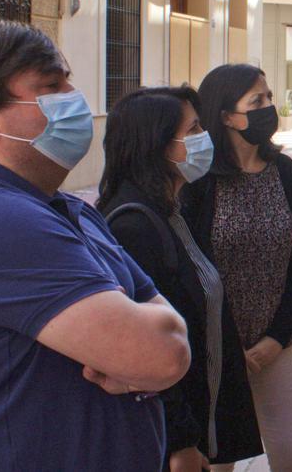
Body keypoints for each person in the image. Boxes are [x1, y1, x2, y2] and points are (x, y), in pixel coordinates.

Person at [0, 22, 190, 470]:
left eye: (67, 82)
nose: (74, 97)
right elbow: (163, 355)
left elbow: (169, 331)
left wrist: (148, 343)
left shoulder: (66, 210)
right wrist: (144, 349)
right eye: (50, 86)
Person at [98, 86, 264, 471]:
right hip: (166, 440)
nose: (203, 139)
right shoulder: (134, 226)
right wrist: (180, 440)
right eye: (192, 131)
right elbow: (142, 347)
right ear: (157, 146)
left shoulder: (172, 210)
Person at [183, 64, 292, 471]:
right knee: (220, 459)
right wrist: (224, 343)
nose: (268, 108)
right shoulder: (201, 182)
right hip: (217, 349)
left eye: (269, 98)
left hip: (274, 344)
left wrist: (278, 334)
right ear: (225, 116)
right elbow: (192, 271)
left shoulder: (284, 171)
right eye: (256, 101)